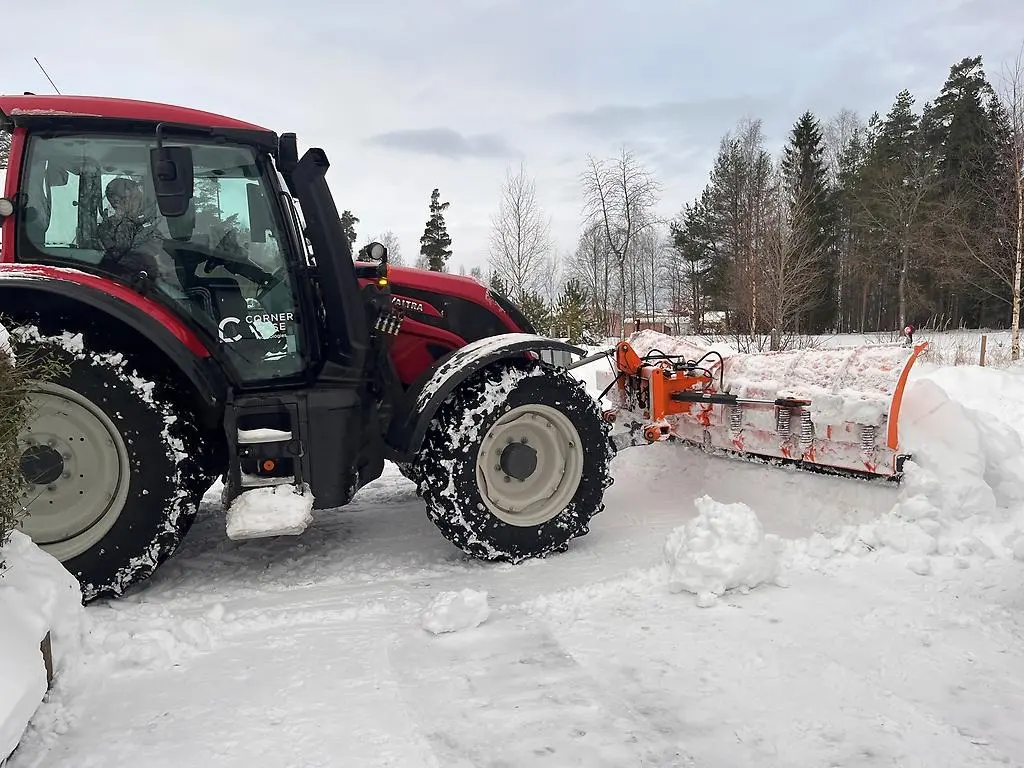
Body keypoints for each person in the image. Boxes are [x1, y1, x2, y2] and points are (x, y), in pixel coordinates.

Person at [97, 176, 177, 285]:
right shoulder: (109, 228)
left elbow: (161, 249)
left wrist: (164, 265)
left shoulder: (152, 221)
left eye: (140, 197)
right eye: (135, 198)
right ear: (118, 202)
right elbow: (121, 255)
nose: (140, 201)